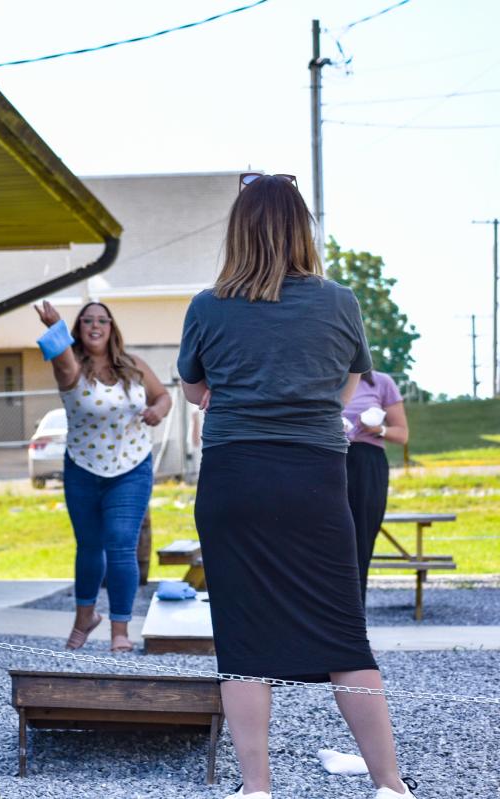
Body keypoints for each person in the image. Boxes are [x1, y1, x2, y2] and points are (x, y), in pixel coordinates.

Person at [177, 172, 414, 799]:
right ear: (301, 231)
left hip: (234, 476)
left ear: (239, 231)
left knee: (242, 634)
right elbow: (348, 384)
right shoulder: (340, 302)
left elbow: (197, 391)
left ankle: (256, 789)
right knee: (343, 629)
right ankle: (390, 784)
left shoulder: (207, 305)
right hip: (313, 475)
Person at [34, 300, 171, 652]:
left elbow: (163, 396)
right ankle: (84, 618)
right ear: (78, 329)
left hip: (132, 467)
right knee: (90, 548)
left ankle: (120, 631)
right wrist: (55, 328)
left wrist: (156, 410)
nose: (95, 326)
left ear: (112, 327)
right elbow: (62, 356)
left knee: (122, 545)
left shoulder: (134, 365)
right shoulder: (71, 369)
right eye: (87, 322)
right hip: (82, 467)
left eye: (102, 321)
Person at [345, 371, 409, 600]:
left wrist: (378, 429)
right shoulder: (325, 379)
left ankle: (355, 614)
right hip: (329, 459)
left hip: (367, 463)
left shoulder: (381, 382)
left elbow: (402, 434)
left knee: (361, 538)